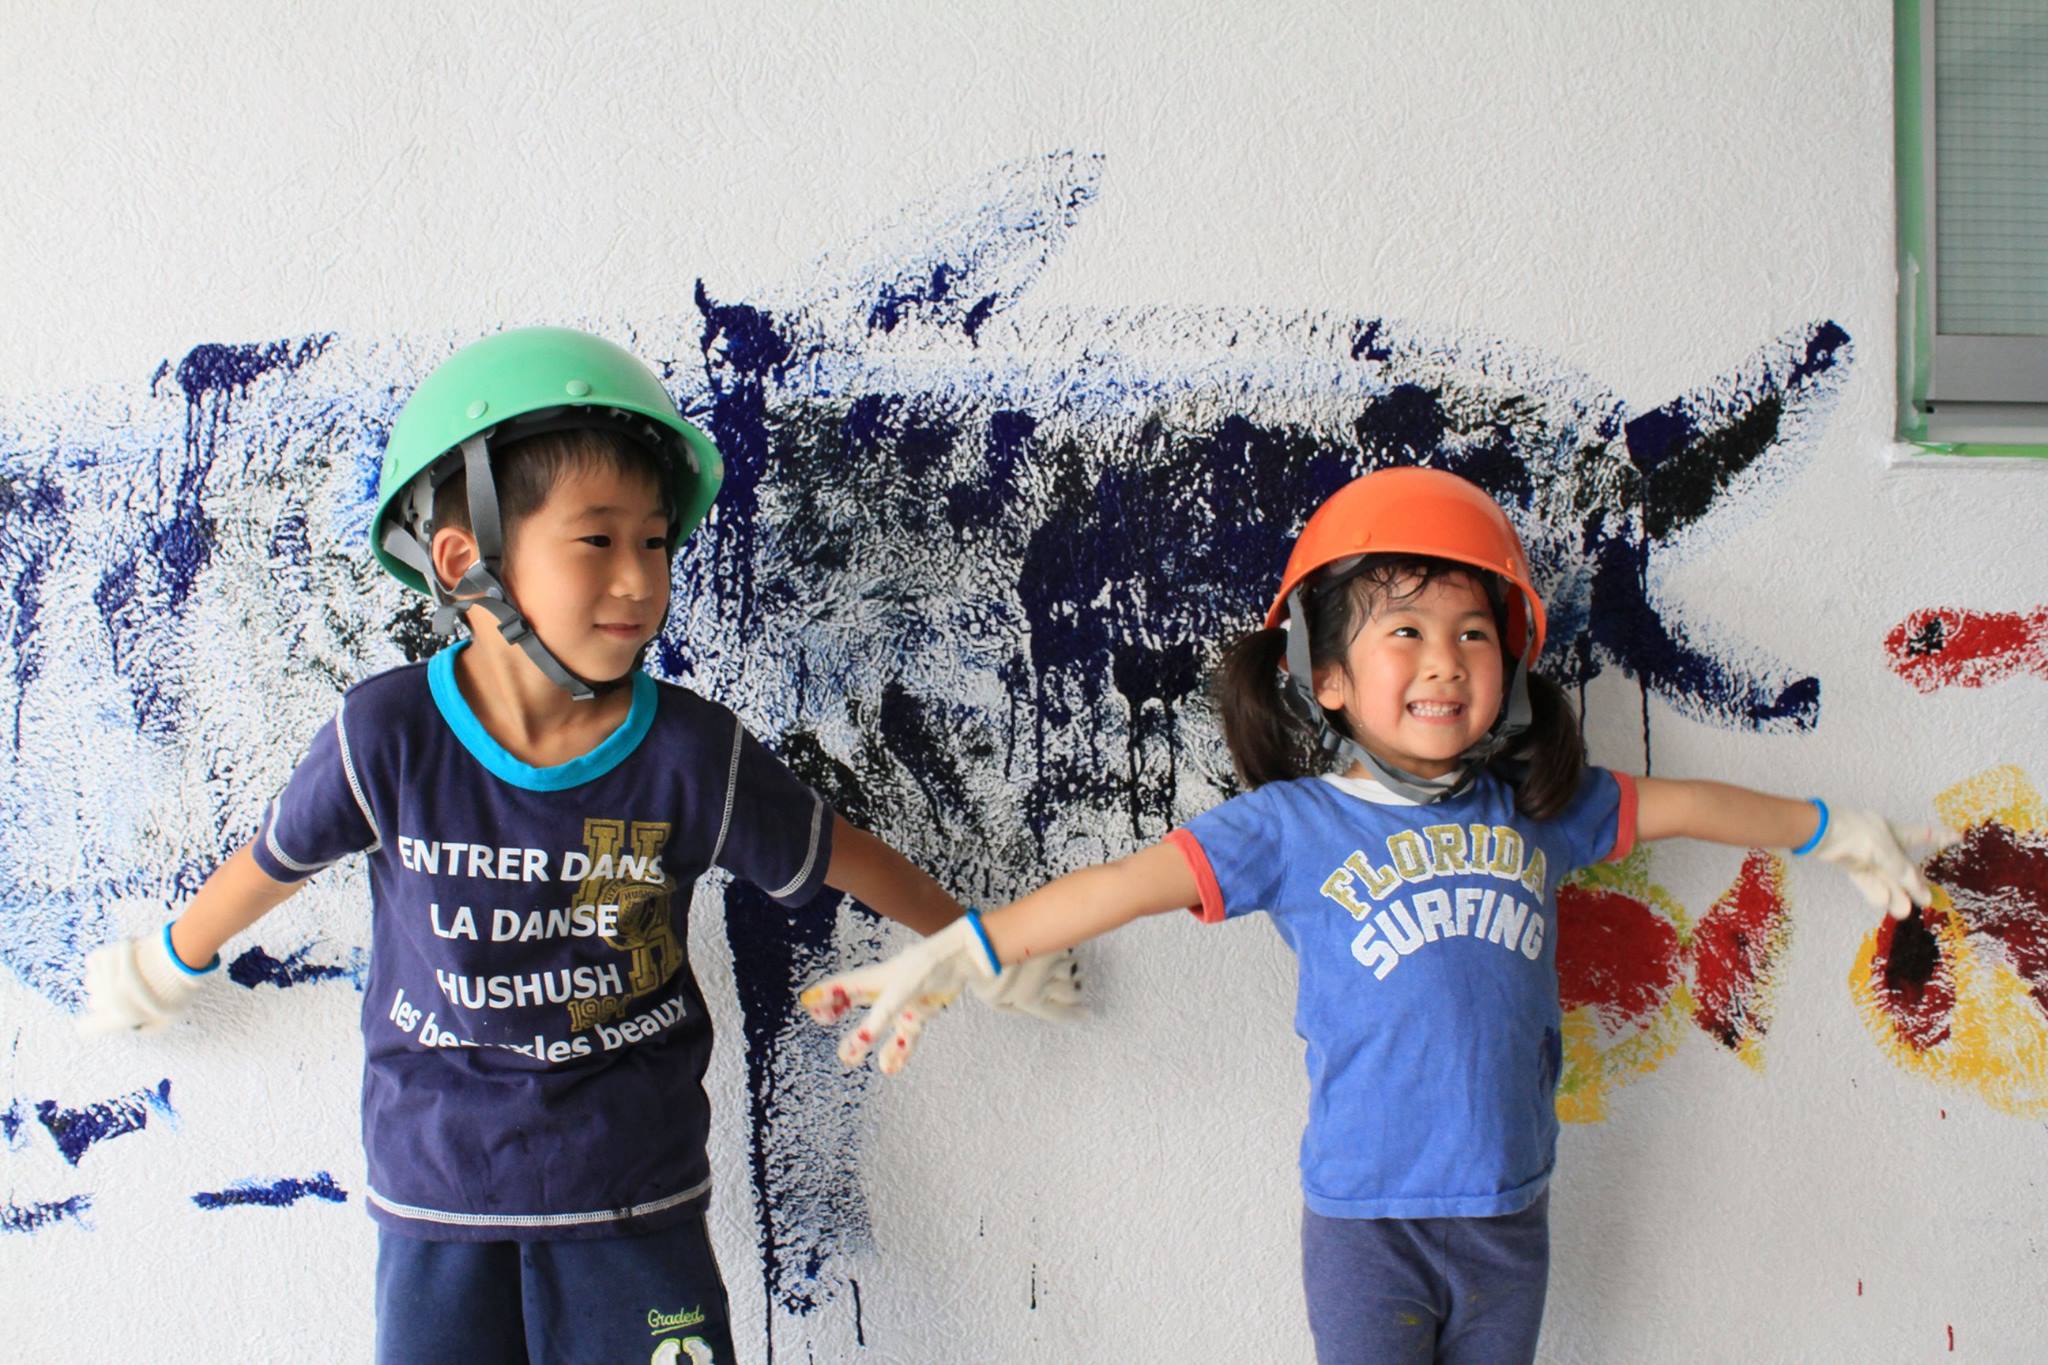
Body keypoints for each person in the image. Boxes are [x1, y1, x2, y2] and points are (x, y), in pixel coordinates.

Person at [77, 326, 1073, 1364]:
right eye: (596, 540)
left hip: (633, 1196)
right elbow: (272, 863)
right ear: (466, 561)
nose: (640, 579)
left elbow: (842, 855)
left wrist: (983, 944)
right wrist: (165, 963)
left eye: (656, 542)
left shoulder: (693, 755)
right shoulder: (387, 739)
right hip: (439, 1199)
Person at [801, 466, 1942, 1365]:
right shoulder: (1291, 827)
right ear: (1328, 676)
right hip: (1367, 1229)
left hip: (1509, 1214)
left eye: (1471, 632)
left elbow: (1685, 805)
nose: (1444, 662)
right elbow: (1119, 886)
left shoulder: (1537, 806)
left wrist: (1828, 828)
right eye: (1405, 631)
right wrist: (966, 947)